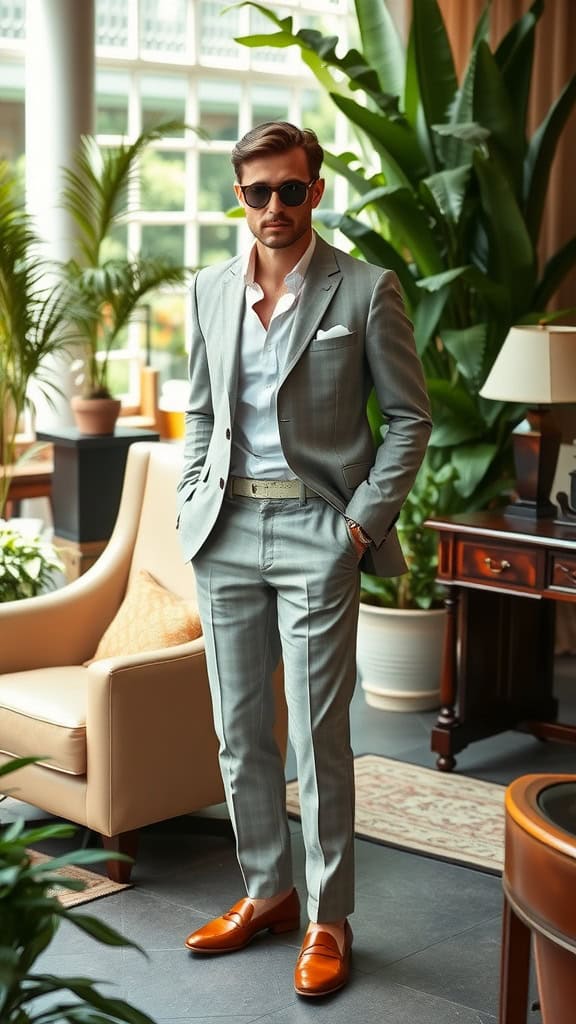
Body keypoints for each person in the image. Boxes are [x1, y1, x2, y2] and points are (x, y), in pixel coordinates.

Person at [176, 121, 432, 997]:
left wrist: (358, 530)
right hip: (225, 535)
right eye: (258, 192)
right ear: (240, 197)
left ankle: (328, 917)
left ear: (315, 192)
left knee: (318, 735)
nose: (274, 207)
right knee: (239, 733)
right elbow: (201, 414)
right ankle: (266, 892)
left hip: (318, 533)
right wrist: (189, 505)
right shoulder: (209, 289)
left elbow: (408, 419)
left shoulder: (365, 289)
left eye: (291, 190)